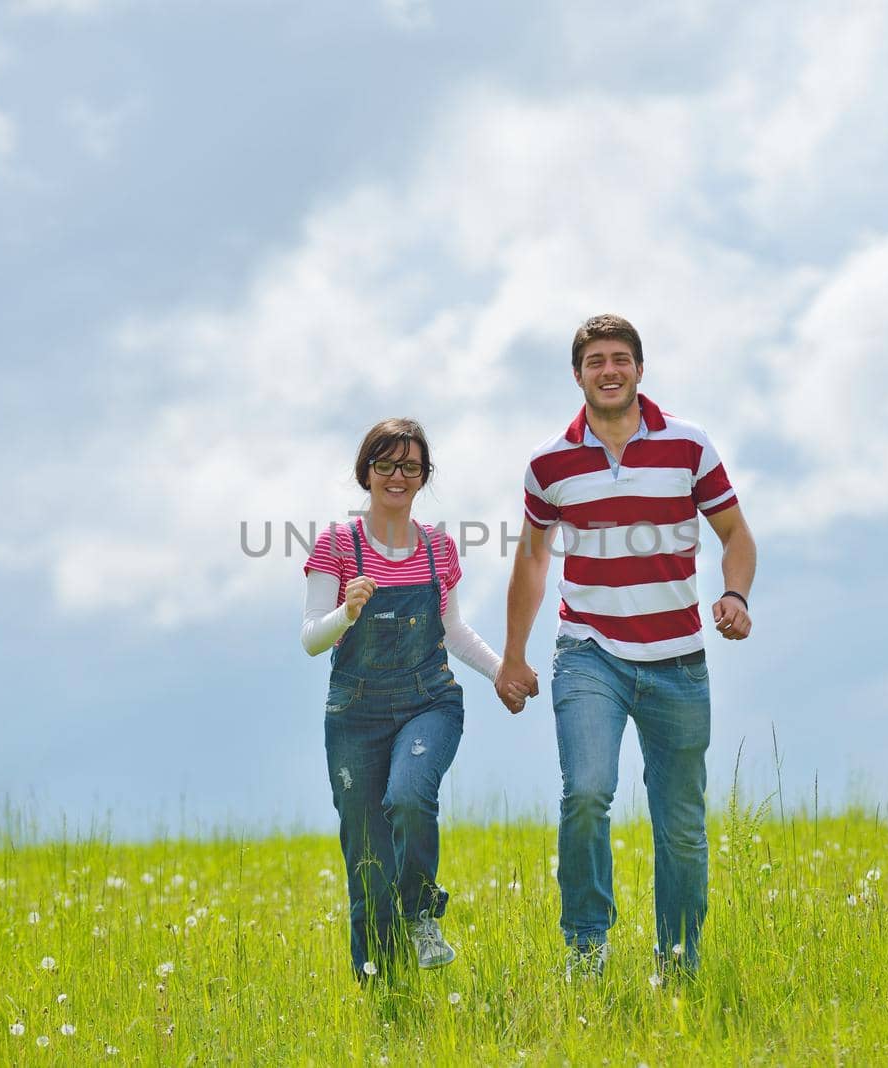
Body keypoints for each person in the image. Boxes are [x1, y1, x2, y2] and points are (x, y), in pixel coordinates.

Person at [495, 314, 756, 978]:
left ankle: (678, 964)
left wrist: (736, 595)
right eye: (595, 362)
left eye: (620, 359)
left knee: (682, 829)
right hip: (589, 654)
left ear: (640, 368)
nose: (609, 371)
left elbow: (736, 538)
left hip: (678, 661)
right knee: (585, 792)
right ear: (578, 374)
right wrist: (515, 656)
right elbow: (530, 563)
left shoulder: (689, 447)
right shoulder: (549, 464)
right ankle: (587, 948)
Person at [301, 417, 502, 979]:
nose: (396, 475)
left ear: (423, 476)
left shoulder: (438, 547)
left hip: (427, 701)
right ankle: (385, 990)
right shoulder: (337, 545)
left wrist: (500, 672)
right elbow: (311, 638)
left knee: (410, 797)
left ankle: (420, 912)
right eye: (385, 464)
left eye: (409, 466)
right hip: (355, 714)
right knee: (367, 862)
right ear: (366, 472)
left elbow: (454, 631)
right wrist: (348, 611)